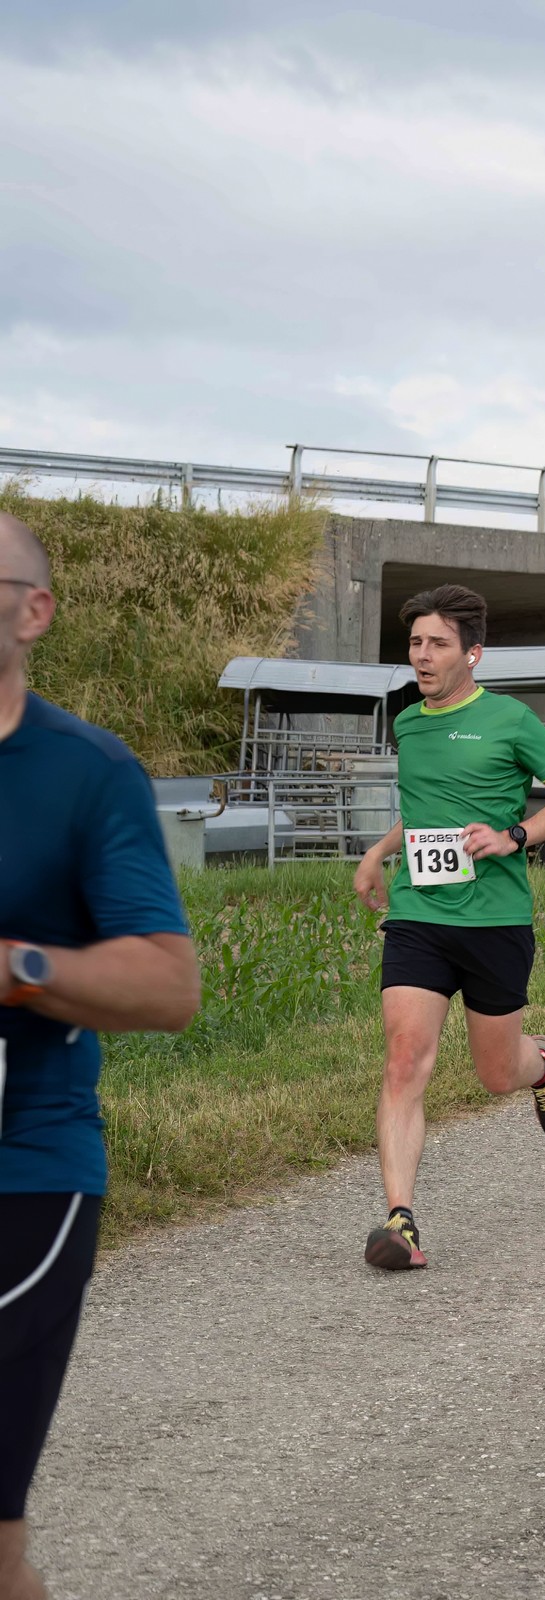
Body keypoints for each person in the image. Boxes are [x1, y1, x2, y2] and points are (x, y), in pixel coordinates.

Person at [0, 510, 201, 1600]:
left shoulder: (86, 773)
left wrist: (21, 967)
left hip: (22, 1168)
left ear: (33, 612)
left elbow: (170, 986)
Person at [351, 584, 545, 1271]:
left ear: (473, 654)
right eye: (415, 643)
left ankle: (541, 1063)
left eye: (438, 644)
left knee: (496, 1073)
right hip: (418, 916)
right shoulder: (408, 723)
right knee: (404, 1059)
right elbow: (424, 807)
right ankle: (400, 1222)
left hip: (495, 921)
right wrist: (378, 852)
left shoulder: (511, 719)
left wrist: (514, 835)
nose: (422, 656)